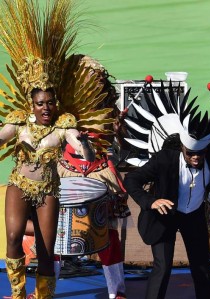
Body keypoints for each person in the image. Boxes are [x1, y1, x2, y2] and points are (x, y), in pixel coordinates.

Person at [0, 1, 102, 298]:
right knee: (13, 237)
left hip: (48, 189)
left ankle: (43, 296)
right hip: (19, 185)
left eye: (51, 102)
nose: (47, 108)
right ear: (31, 105)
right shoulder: (18, 123)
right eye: (41, 103)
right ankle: (18, 294)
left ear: (57, 102)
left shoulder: (64, 126)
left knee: (46, 249)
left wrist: (83, 142)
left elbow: (88, 156)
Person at [123, 90, 210, 299]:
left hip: (193, 214)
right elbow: (132, 180)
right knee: (163, 266)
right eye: (191, 153)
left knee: (201, 266)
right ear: (182, 148)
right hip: (165, 213)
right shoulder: (165, 159)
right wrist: (151, 201)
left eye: (200, 153)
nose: (196, 158)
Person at [55, 55, 130, 299]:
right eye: (87, 77)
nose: (92, 81)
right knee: (56, 232)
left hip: (100, 175)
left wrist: (119, 132)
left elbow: (122, 148)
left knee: (107, 233)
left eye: (96, 77)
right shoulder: (63, 106)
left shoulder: (110, 110)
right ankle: (45, 289)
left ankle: (116, 292)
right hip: (67, 171)